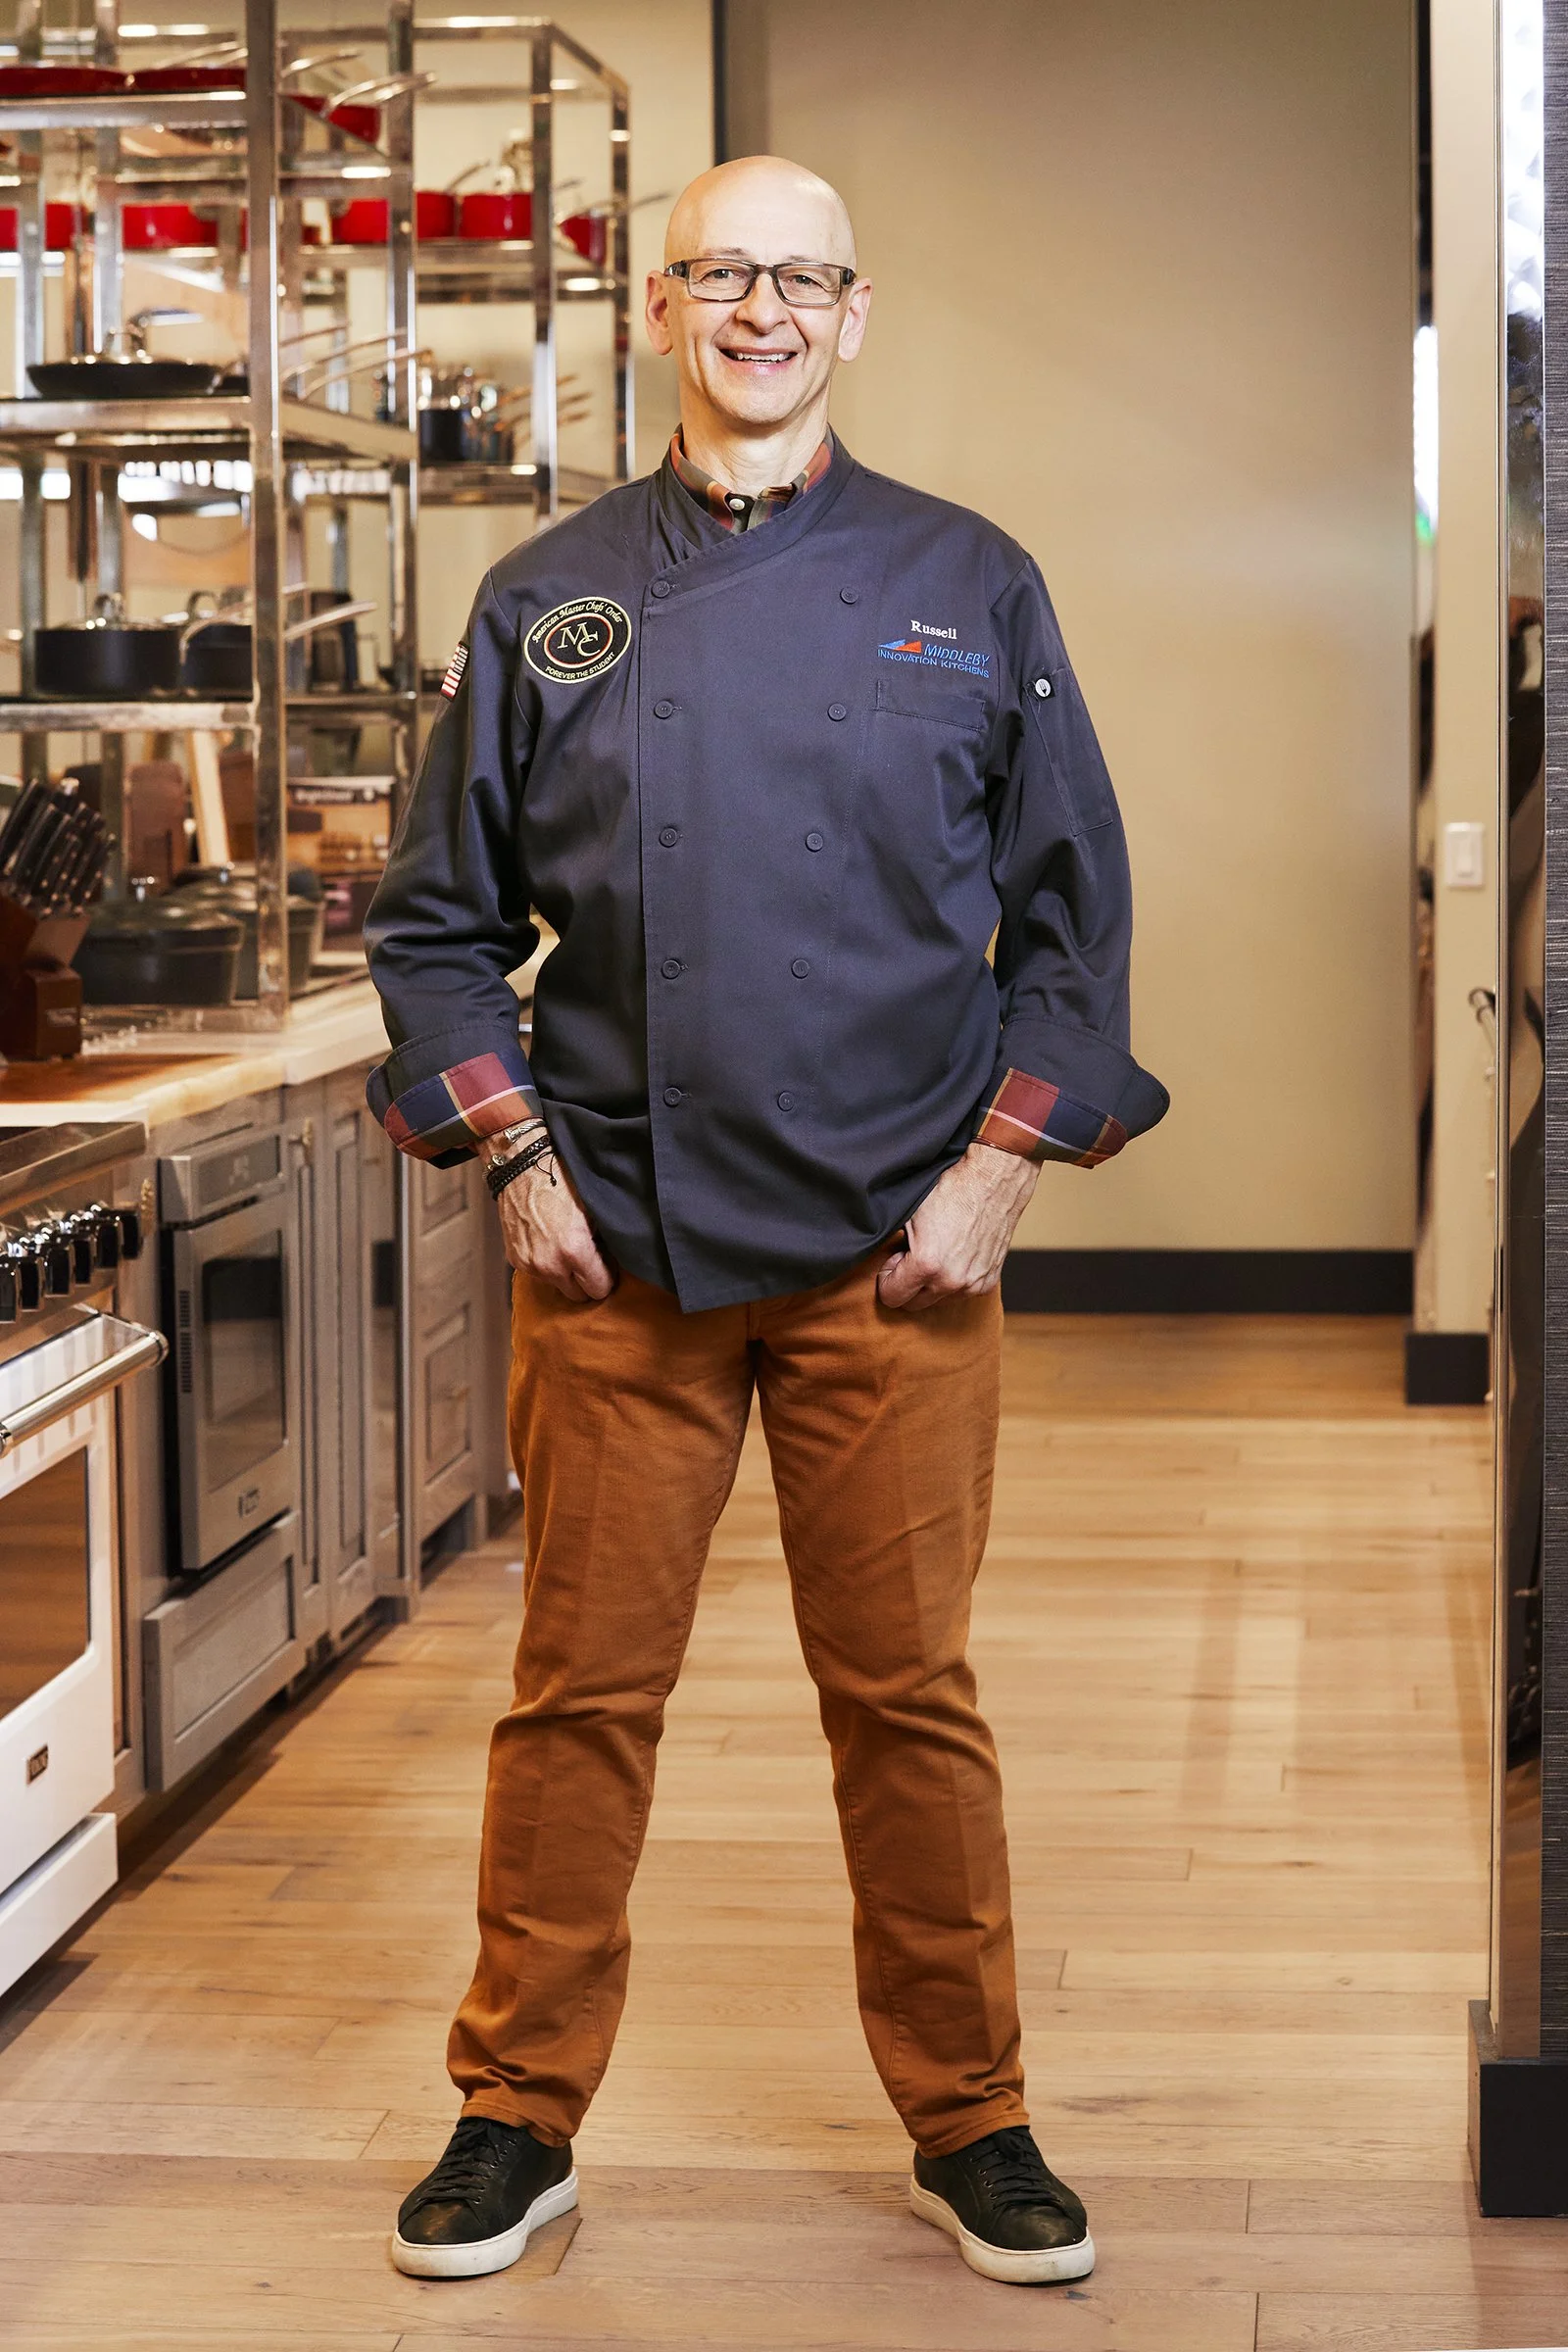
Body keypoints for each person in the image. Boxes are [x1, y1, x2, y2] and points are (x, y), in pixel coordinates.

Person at [365, 153, 1166, 2289]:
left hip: (893, 1255)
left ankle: (970, 2118)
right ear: (658, 305)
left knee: (904, 1698)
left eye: (801, 279)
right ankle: (510, 2117)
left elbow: (1073, 934)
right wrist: (513, 1159)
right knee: (575, 1700)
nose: (762, 310)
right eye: (723, 272)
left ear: (856, 311)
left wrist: (996, 1174)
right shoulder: (549, 597)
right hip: (613, 1248)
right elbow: (439, 929)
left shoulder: (968, 582)